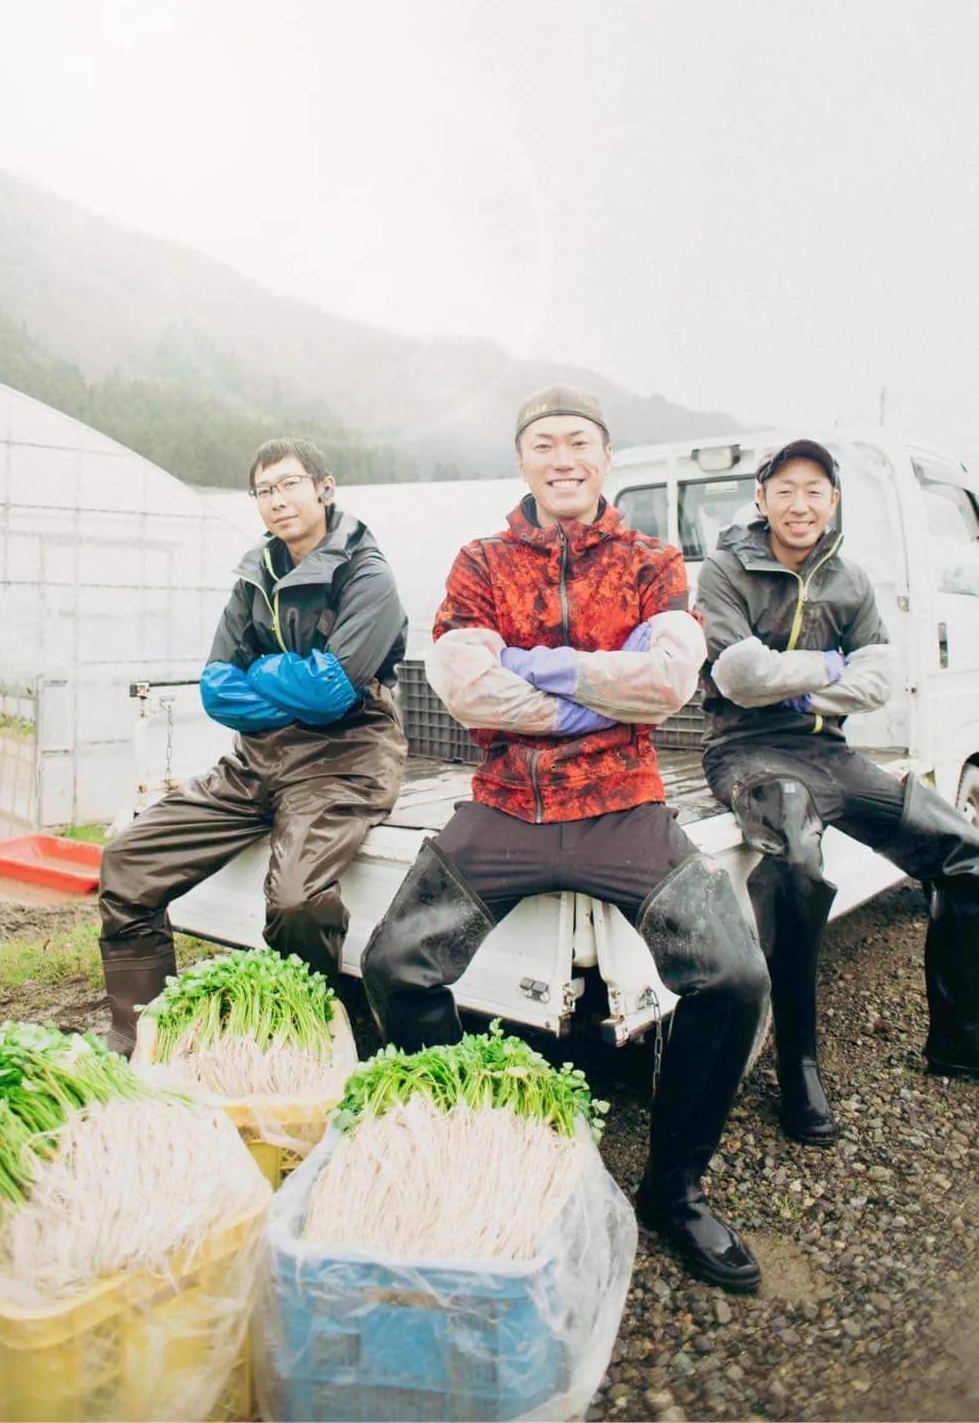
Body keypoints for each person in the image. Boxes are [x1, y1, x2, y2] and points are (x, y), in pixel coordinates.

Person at [361, 384, 770, 1293]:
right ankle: (471, 1146)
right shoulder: (481, 561)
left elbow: (667, 683)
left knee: (735, 977)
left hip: (623, 803)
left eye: (578, 440)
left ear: (605, 455)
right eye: (544, 442)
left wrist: (532, 668)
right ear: (523, 459)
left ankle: (675, 1189)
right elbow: (464, 686)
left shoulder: (654, 561)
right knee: (395, 965)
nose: (563, 457)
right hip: (507, 802)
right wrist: (596, 693)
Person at [696, 438, 979, 1147]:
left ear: (834, 500)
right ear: (761, 499)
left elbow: (880, 678)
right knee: (797, 865)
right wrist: (830, 665)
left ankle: (961, 1039)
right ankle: (799, 1066)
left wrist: (792, 683)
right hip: (747, 751)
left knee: (965, 851)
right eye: (785, 490)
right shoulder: (726, 568)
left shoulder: (849, 578)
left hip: (830, 753)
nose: (800, 504)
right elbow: (738, 677)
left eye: (815, 490)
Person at [98, 437, 407, 1054]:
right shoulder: (255, 574)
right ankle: (141, 1037)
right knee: (128, 861)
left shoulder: (367, 575)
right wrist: (293, 682)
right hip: (257, 760)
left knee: (295, 901)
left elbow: (331, 694)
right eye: (264, 490)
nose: (277, 500)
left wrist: (262, 672)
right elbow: (217, 688)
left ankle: (313, 1034)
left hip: (343, 761)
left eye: (290, 484)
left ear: (324, 488)